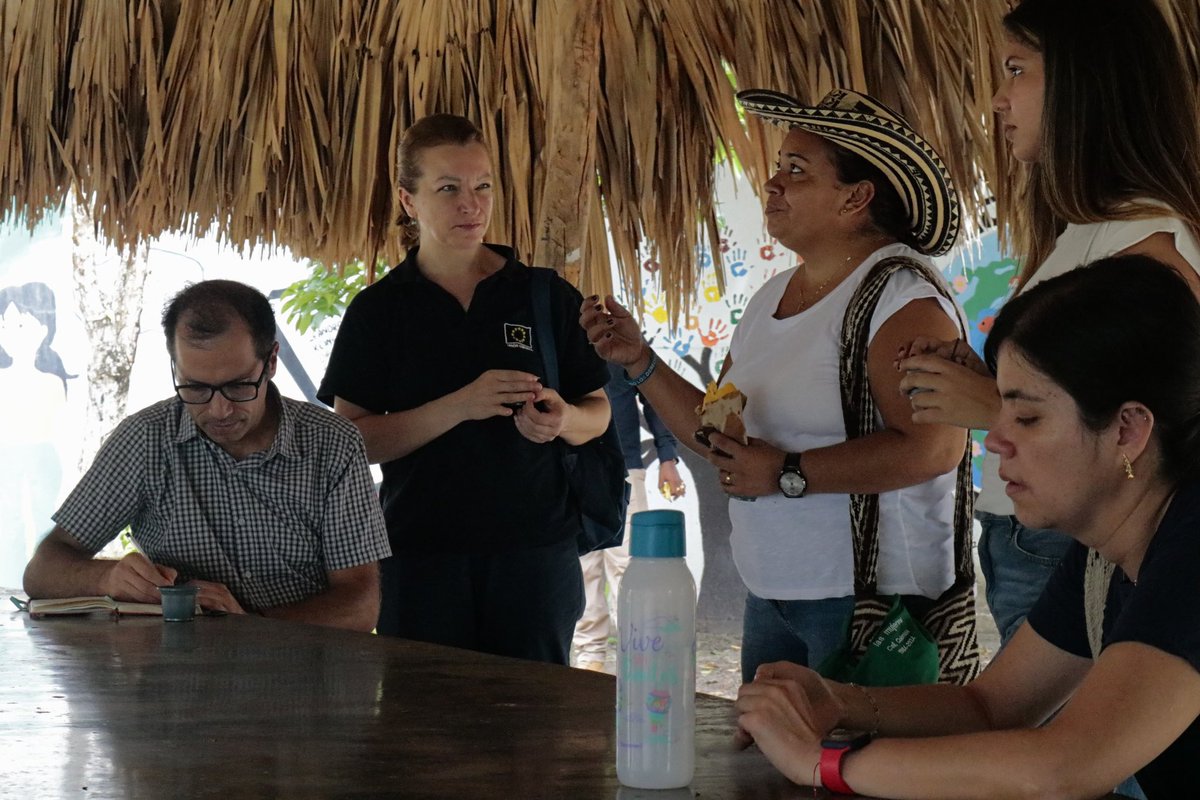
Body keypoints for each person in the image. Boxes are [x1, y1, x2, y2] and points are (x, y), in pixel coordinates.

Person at [736, 255, 1200, 799]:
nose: (996, 439)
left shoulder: (1189, 549)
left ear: (1127, 429)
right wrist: (838, 701)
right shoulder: (1108, 553)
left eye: (1027, 418)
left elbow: (1064, 766)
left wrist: (824, 763)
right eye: (999, 410)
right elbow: (992, 705)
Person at [581, 87, 978, 683]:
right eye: (777, 168)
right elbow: (720, 432)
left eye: (797, 171)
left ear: (856, 197)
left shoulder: (901, 298)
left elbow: (933, 448)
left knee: (857, 770)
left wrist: (788, 473)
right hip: (773, 591)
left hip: (869, 601)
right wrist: (641, 363)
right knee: (770, 771)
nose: (773, 185)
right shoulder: (772, 297)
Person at [899, 0, 1200, 650]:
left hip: (1074, 546)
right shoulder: (1090, 233)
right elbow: (1098, 384)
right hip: (1036, 539)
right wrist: (992, 380)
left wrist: (989, 404)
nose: (999, 102)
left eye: (1017, 71)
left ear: (1086, 84)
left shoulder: (1150, 249)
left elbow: (1171, 428)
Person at [317, 113, 611, 665]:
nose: (470, 205)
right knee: (430, 733)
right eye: (448, 189)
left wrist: (561, 420)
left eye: (482, 187)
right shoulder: (379, 311)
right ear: (409, 201)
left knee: (534, 734)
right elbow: (352, 441)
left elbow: (598, 412)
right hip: (421, 556)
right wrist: (458, 406)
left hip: (536, 555)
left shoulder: (542, 295)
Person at [22, 280, 390, 632]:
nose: (218, 410)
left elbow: (360, 604)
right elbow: (41, 571)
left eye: (238, 386)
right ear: (175, 367)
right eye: (195, 387)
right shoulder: (146, 439)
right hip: (177, 676)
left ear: (271, 361)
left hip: (302, 673)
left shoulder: (333, 444)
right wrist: (107, 576)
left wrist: (250, 623)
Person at [573, 361, 685, 671]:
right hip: (575, 468)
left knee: (629, 564)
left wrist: (667, 459)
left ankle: (637, 648)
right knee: (584, 565)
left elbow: (654, 402)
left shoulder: (620, 346)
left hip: (626, 468)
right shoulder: (563, 338)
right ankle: (590, 656)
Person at [0, 282, 75, 586]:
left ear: (44, 329)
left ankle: (42, 582)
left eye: (19, 323)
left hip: (43, 455)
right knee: (9, 520)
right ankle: (10, 580)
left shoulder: (51, 382)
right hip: (7, 456)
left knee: (45, 520)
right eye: (4, 324)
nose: (9, 331)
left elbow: (58, 423)